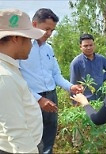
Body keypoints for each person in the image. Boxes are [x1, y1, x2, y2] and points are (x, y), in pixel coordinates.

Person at [19, 8, 83, 154]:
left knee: (49, 136)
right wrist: (38, 99)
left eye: (52, 30)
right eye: (46, 29)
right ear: (34, 24)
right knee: (32, 138)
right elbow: (18, 79)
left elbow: (56, 75)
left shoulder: (48, 49)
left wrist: (71, 87)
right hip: (31, 98)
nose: (49, 34)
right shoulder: (22, 47)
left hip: (51, 96)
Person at [0, 8, 45, 153]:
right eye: (30, 39)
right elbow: (16, 132)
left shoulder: (8, 67)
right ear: (16, 38)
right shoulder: (4, 76)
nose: (31, 45)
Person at [70, 33, 106, 101]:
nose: (89, 48)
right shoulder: (76, 63)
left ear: (94, 45)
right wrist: (75, 102)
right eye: (85, 46)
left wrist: (101, 78)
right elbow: (73, 84)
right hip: (86, 99)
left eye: (91, 45)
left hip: (101, 96)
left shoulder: (101, 59)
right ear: (80, 47)